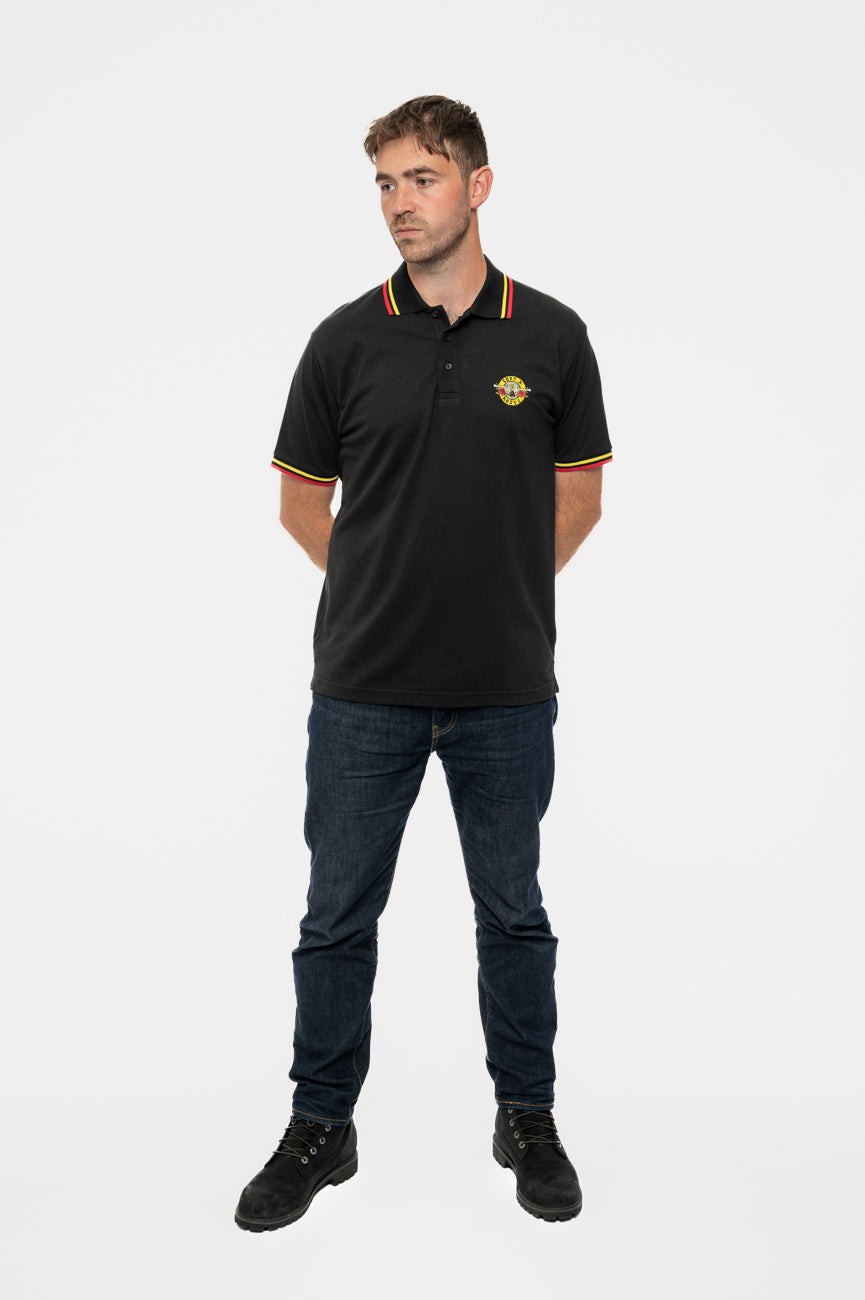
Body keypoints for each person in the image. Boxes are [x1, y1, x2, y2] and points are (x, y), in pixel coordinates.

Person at [235, 94, 611, 1231]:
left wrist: (493, 592)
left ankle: (526, 1116)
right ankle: (321, 1125)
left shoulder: (552, 336)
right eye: (386, 184)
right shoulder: (343, 340)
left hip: (506, 692)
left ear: (477, 186)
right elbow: (300, 503)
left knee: (514, 915)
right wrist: (382, 588)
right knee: (335, 919)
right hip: (364, 691)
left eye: (423, 179)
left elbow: (581, 496)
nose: (400, 203)